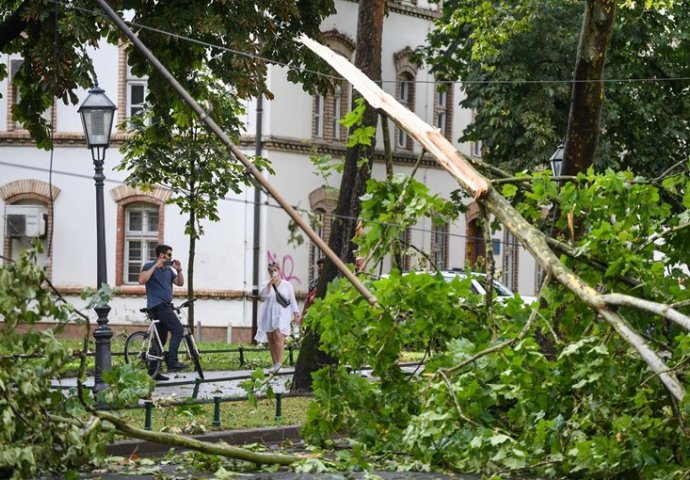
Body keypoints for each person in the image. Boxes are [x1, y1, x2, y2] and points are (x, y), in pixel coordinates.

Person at [138, 244, 187, 381]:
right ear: (161, 255)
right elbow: (141, 280)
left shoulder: (168, 270)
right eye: (169, 255)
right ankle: (172, 362)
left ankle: (153, 372)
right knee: (178, 329)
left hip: (166, 306)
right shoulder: (149, 266)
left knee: (161, 339)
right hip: (157, 306)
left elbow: (180, 283)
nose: (171, 257)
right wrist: (155, 267)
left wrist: (179, 270)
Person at [255, 262, 300, 374]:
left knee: (278, 335)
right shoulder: (265, 283)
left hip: (282, 313)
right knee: (271, 338)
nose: (273, 272)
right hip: (268, 313)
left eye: (275, 270)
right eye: (270, 271)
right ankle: (275, 364)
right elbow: (263, 296)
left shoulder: (287, 285)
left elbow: (292, 299)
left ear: (279, 270)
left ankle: (279, 363)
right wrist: (271, 283)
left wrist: (296, 313)